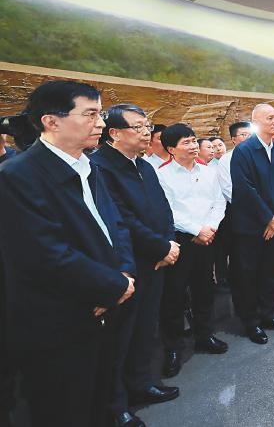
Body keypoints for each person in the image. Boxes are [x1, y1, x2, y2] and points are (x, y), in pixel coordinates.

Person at [0, 81, 136, 427]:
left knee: (101, 400)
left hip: (106, 308)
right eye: (90, 114)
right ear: (51, 121)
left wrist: (124, 274)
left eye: (100, 114)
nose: (101, 123)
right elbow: (45, 255)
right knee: (66, 410)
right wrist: (112, 285)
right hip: (61, 323)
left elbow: (116, 226)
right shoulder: (16, 176)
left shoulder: (90, 166)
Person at [92, 105, 181, 427]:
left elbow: (163, 209)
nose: (147, 132)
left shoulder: (143, 165)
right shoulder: (101, 167)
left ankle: (141, 384)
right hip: (129, 265)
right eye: (139, 127)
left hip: (157, 260)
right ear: (114, 133)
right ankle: (116, 405)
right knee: (121, 337)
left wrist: (169, 243)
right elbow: (121, 219)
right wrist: (160, 247)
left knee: (145, 328)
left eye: (148, 125)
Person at [156, 123, 228, 378]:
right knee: (174, 295)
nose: (193, 145)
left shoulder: (208, 172)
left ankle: (205, 335)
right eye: (186, 142)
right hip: (180, 240)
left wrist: (210, 227)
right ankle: (173, 348)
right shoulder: (162, 175)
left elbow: (219, 201)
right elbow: (168, 210)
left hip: (208, 237)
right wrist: (197, 229)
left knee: (204, 289)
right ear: (171, 148)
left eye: (194, 140)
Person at [229, 104, 274, 344]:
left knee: (272, 272)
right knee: (248, 275)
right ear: (255, 122)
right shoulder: (243, 151)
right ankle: (251, 322)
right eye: (270, 118)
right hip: (249, 226)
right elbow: (244, 189)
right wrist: (268, 218)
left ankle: (269, 315)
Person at [215, 122, 252, 291]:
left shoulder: (257, 155)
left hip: (259, 210)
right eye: (243, 135)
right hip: (237, 209)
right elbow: (228, 189)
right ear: (233, 139)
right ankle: (234, 279)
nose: (248, 138)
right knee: (235, 247)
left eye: (250, 134)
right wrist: (250, 206)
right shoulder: (226, 159)